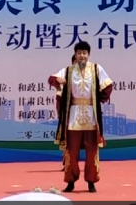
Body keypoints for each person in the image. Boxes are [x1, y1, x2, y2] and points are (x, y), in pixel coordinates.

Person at [48, 41, 113, 194]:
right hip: (73, 116)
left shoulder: (96, 69)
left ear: (88, 55)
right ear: (75, 55)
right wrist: (58, 80)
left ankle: (91, 181)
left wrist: (99, 98)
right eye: (79, 53)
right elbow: (51, 79)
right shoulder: (68, 70)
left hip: (91, 116)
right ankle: (70, 182)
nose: (82, 56)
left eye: (84, 53)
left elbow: (108, 85)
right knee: (71, 151)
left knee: (92, 152)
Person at [55, 54, 77, 171]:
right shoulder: (66, 72)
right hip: (69, 114)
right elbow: (52, 79)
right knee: (68, 139)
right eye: (77, 61)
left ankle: (91, 166)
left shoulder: (90, 74)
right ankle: (68, 163)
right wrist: (58, 80)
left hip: (85, 114)